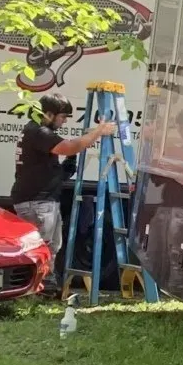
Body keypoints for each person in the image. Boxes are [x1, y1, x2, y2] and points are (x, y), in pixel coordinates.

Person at [10, 95, 113, 282]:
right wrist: (99, 132)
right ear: (48, 114)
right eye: (63, 116)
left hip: (43, 199)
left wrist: (67, 167)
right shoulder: (38, 131)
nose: (64, 121)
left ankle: (45, 284)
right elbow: (69, 147)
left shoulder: (36, 132)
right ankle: (32, 288)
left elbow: (46, 168)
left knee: (52, 246)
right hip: (37, 201)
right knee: (39, 247)